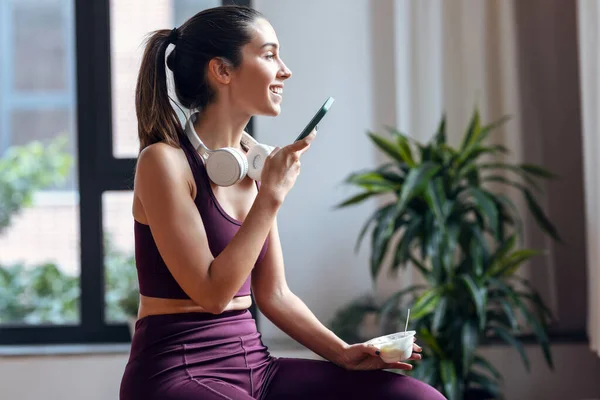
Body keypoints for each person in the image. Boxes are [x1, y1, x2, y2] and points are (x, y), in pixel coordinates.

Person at [119, 5, 446, 400]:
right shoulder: (163, 162)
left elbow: (274, 294)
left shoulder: (251, 164)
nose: (285, 70)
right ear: (222, 71)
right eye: (269, 54)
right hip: (178, 369)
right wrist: (271, 197)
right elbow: (211, 293)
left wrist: (343, 353)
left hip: (255, 365)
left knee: (417, 398)